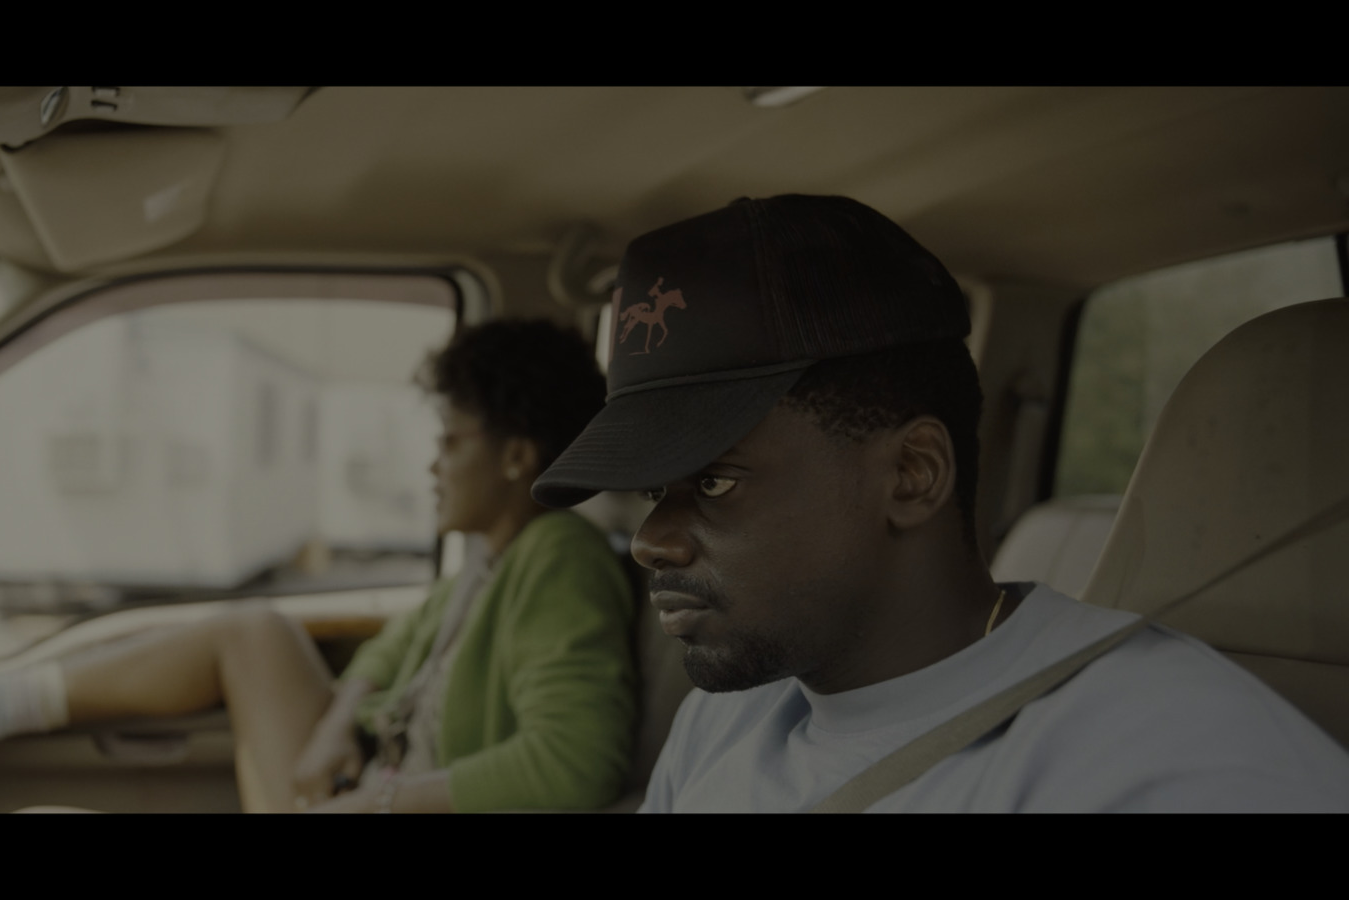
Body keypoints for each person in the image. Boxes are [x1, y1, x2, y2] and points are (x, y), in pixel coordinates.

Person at [529, 194, 1349, 812]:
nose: (650, 541)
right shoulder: (730, 719)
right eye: (651, 491)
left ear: (913, 474)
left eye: (713, 482)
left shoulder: (1166, 764)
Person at [0, 318, 638, 813]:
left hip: (392, 801)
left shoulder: (559, 560)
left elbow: (575, 760)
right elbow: (393, 648)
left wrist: (380, 802)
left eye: (451, 442)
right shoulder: (493, 562)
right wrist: (329, 728)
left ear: (515, 457)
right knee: (256, 631)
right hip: (372, 784)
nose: (431, 465)